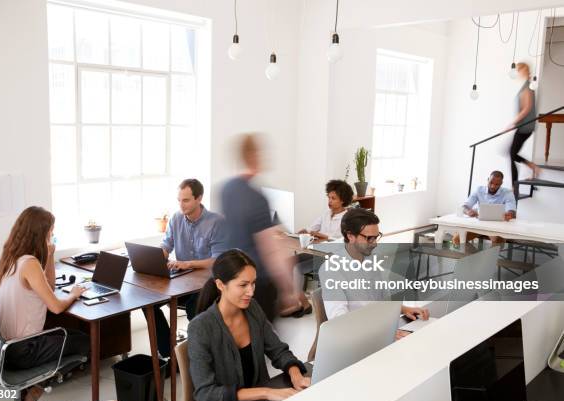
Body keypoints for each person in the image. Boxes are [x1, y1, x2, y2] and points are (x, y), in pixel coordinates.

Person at [188, 249, 310, 401]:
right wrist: (266, 392)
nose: (251, 292)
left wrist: (296, 375)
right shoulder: (200, 328)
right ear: (220, 285)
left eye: (253, 283)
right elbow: (205, 394)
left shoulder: (252, 309)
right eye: (243, 285)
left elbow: (278, 351)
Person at [0, 207, 88, 401]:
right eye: (51, 232)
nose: (52, 236)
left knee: (69, 335)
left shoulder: (10, 257)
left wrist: (50, 255)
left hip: (4, 348)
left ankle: (26, 397)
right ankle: (31, 396)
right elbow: (55, 307)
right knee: (84, 342)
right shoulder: (30, 263)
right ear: (41, 234)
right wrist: (73, 294)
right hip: (24, 349)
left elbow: (49, 287)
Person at [220, 133, 309, 320]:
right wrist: (288, 290)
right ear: (253, 156)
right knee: (263, 341)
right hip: (257, 282)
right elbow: (270, 251)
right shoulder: (256, 197)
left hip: (232, 280)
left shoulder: (226, 189)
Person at [319, 208, 429, 339]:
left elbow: (381, 299)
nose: (375, 243)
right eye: (369, 238)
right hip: (355, 337)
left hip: (378, 327)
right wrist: (381, 334)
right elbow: (339, 322)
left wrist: (404, 309)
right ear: (350, 236)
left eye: (376, 237)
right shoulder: (331, 269)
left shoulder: (371, 258)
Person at [150, 178, 226, 359]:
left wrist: (188, 264)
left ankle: (201, 354)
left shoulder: (217, 222)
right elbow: (166, 246)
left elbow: (217, 259)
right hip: (183, 279)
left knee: (194, 307)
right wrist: (154, 258)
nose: (181, 205)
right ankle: (170, 354)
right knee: (150, 305)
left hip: (208, 282)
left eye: (186, 200)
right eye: (179, 200)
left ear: (199, 198)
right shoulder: (176, 218)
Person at [453, 170, 516, 246]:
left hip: (496, 227)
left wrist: (509, 214)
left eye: (497, 184)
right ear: (488, 180)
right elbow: (464, 206)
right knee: (457, 239)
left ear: (501, 184)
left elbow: (511, 210)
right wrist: (468, 211)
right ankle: (474, 257)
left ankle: (486, 257)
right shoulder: (479, 190)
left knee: (498, 243)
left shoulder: (507, 193)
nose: (493, 186)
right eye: (491, 183)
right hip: (478, 225)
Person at [507, 62, 539, 199]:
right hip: (524, 126)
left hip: (525, 126)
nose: (518, 73)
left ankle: (515, 185)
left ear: (523, 71)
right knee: (512, 153)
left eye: (519, 70)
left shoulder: (527, 88)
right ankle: (531, 168)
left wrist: (512, 123)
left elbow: (527, 108)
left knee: (511, 153)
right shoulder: (527, 86)